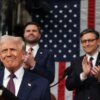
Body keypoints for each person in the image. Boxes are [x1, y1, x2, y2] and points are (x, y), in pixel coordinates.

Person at [0, 35, 51, 100]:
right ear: (0, 57)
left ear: (24, 55)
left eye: (13, 50)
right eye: (4, 51)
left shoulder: (42, 84)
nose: (9, 54)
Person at [66, 28, 100, 100]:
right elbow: (69, 85)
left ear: (98, 42)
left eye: (90, 40)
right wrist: (83, 75)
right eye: (84, 41)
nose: (87, 44)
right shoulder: (76, 61)